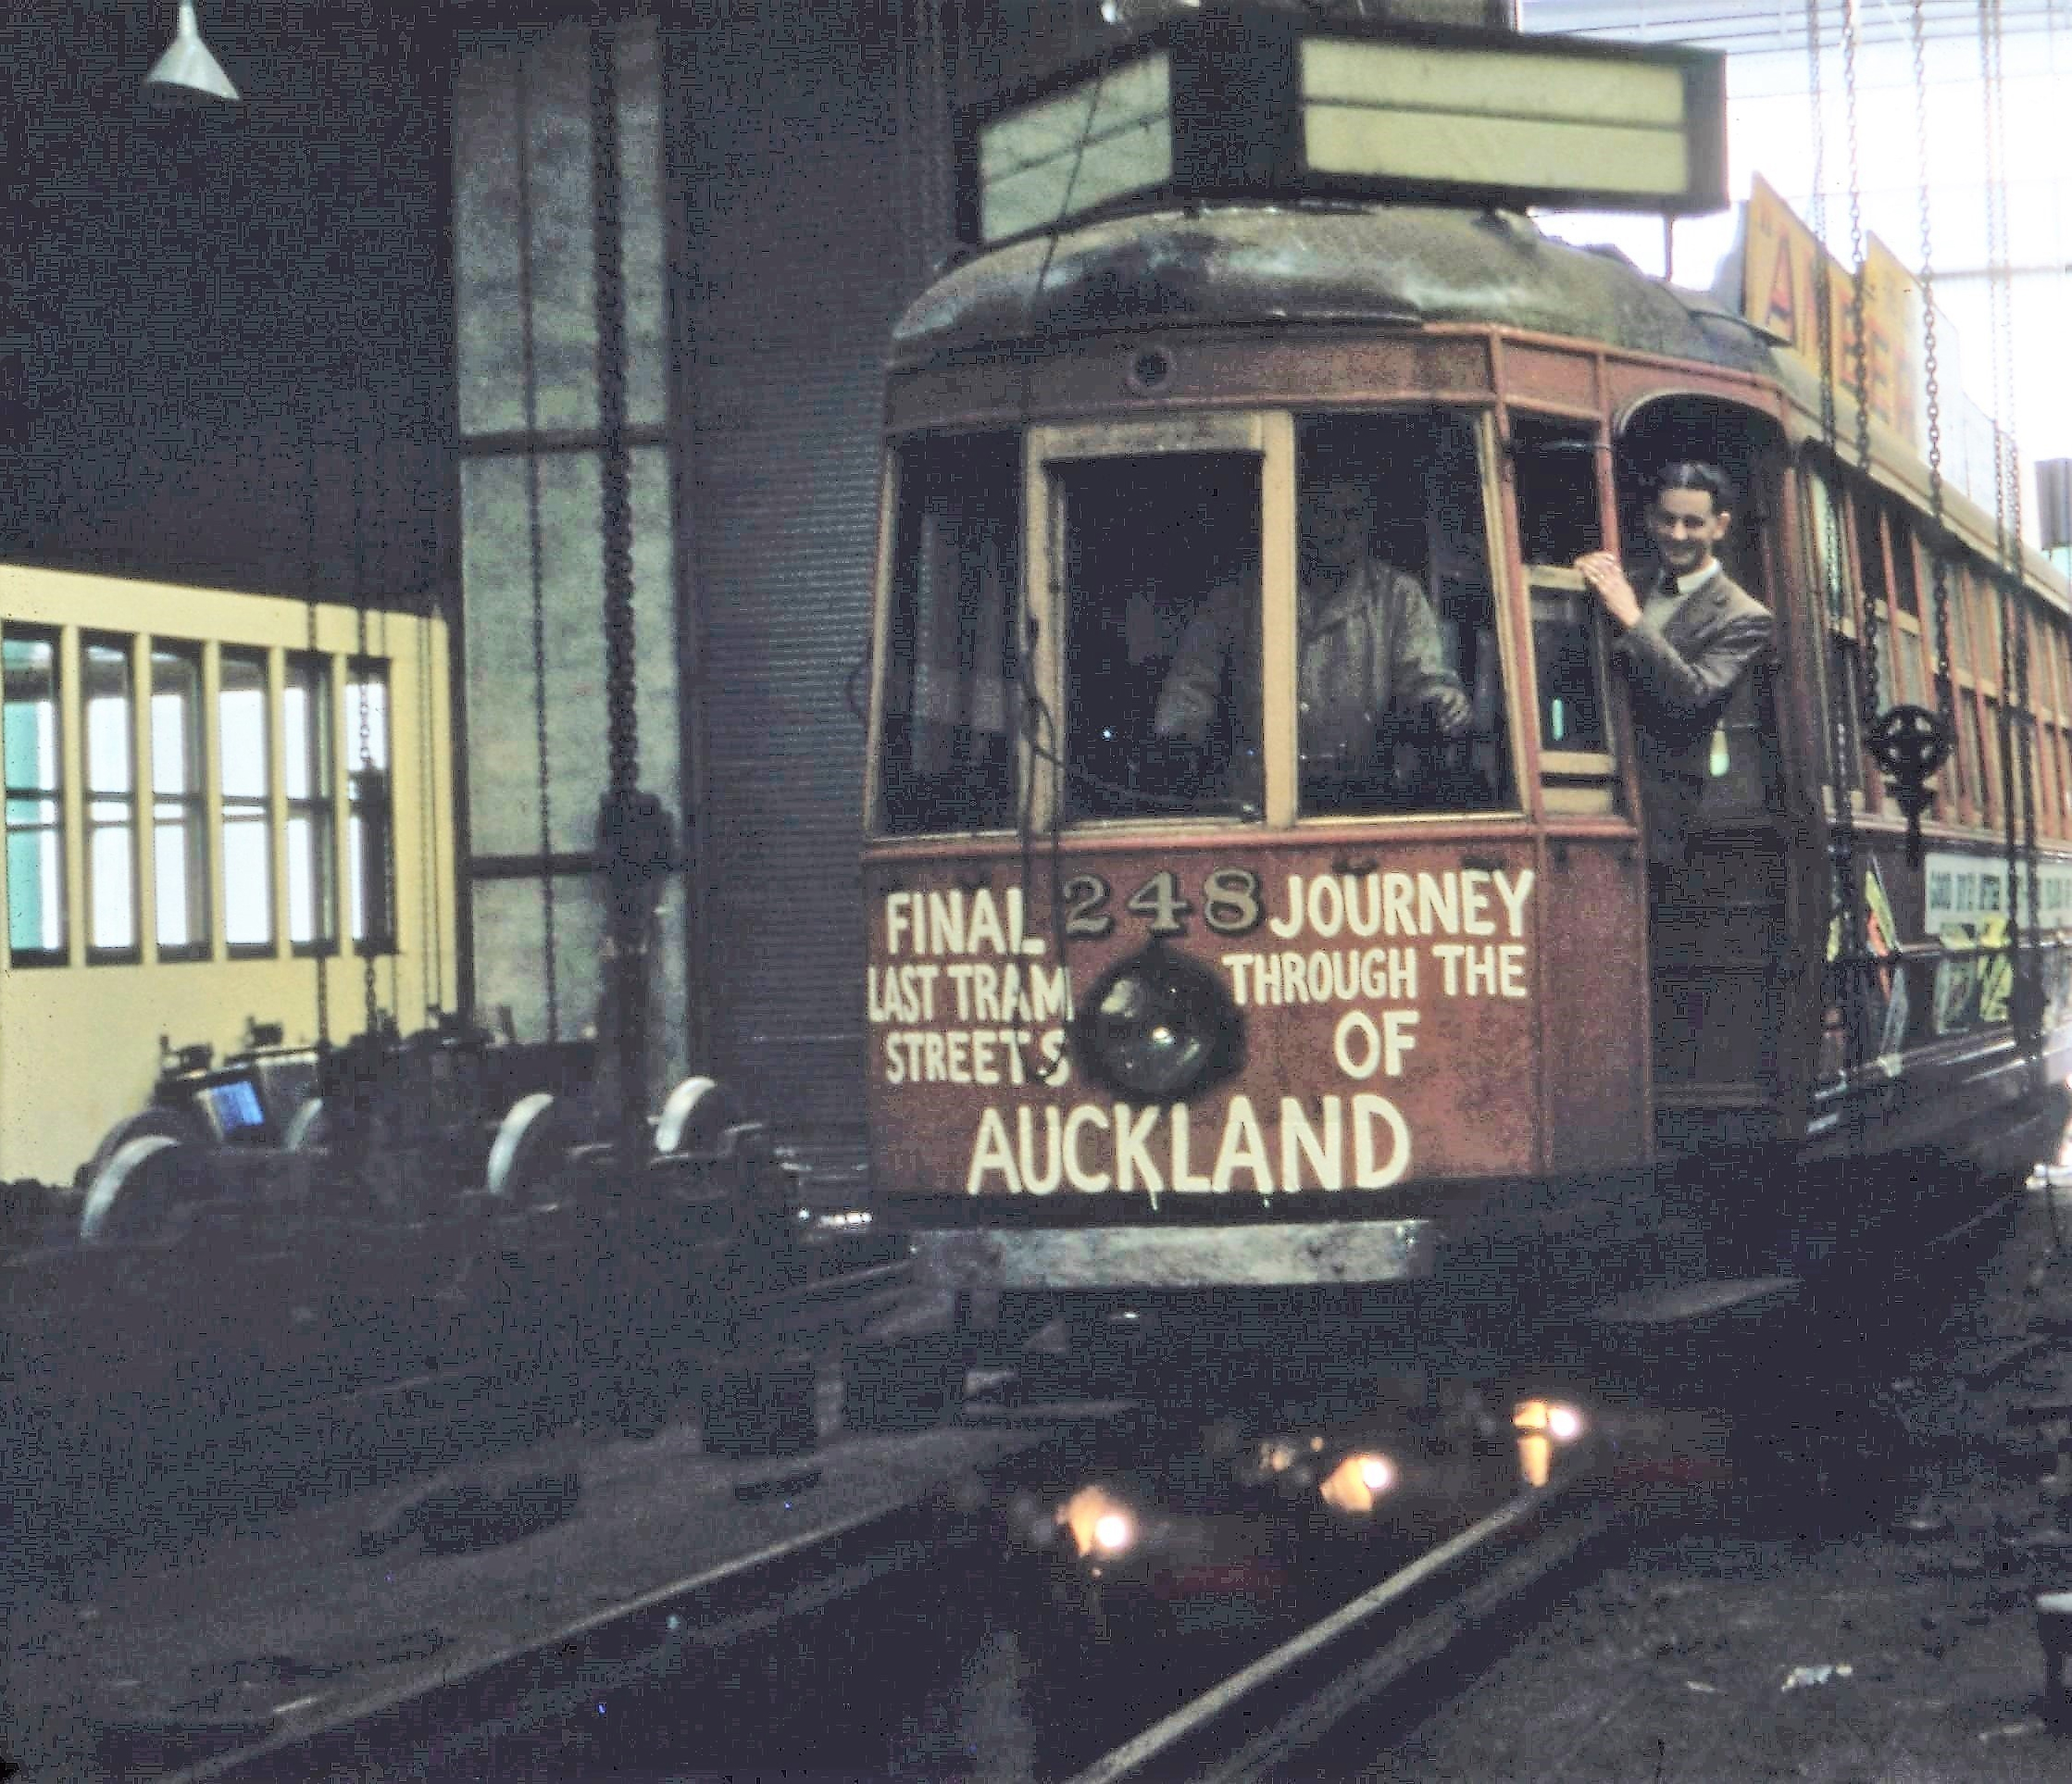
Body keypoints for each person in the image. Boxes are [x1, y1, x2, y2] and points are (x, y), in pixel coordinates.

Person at [1153, 473, 1471, 805]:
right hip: (1258, 801)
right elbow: (1191, 683)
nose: (1339, 529)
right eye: (1326, 513)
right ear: (1299, 515)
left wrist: (1442, 702)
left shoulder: (1398, 596)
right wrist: (1180, 739)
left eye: (1351, 515)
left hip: (1364, 799)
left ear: (1368, 523)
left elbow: (1423, 676)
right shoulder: (1239, 595)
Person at [1575, 462, 1774, 871]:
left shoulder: (1745, 616)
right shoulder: (1633, 581)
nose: (1677, 535)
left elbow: (1695, 695)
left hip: (1668, 819)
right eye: (1667, 520)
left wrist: (1633, 619)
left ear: (1719, 526)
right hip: (1594, 794)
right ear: (1650, 519)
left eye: (1692, 523)